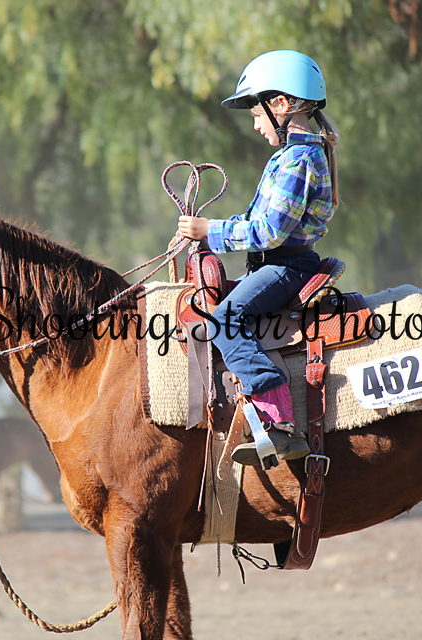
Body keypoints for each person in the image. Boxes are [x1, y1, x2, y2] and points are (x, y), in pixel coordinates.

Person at [177, 50, 340, 468]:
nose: (255, 124)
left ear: (281, 104)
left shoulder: (299, 160)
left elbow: (269, 232)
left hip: (288, 267)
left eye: (256, 114)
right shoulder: (289, 156)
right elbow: (254, 222)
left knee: (224, 321)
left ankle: (278, 422)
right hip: (276, 264)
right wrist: (207, 233)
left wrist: (210, 230)